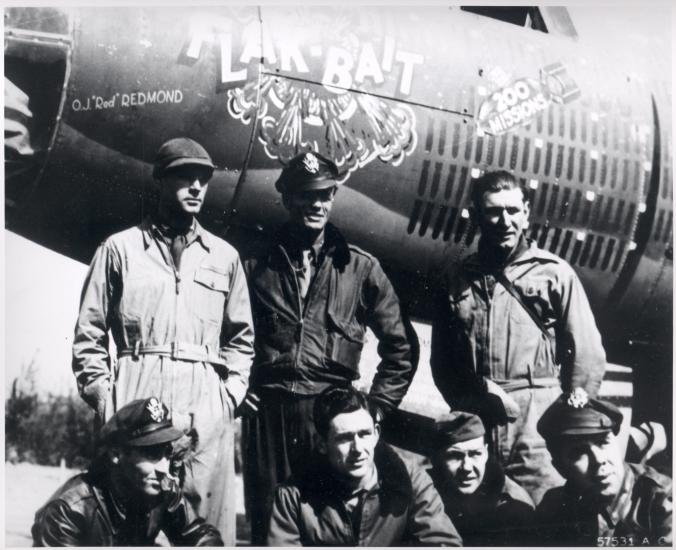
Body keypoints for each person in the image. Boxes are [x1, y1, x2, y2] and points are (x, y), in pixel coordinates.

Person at [71, 137, 255, 543]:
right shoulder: (120, 249)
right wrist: (105, 397)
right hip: (138, 394)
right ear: (159, 180)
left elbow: (242, 338)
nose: (196, 187)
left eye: (203, 180)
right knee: (131, 526)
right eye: (184, 177)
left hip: (205, 403)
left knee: (206, 531)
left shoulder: (224, 257)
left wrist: (229, 396)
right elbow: (89, 333)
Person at [241, 150, 416, 542]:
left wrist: (377, 408)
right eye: (306, 195)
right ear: (287, 199)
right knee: (266, 521)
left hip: (329, 417)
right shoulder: (255, 265)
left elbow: (400, 347)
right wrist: (239, 386)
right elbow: (224, 333)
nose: (317, 204)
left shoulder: (360, 268)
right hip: (268, 415)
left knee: (326, 524)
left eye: (325, 194)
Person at [430, 169, 607, 503]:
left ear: (527, 214)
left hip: (539, 429)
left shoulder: (554, 274)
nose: (504, 221)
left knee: (544, 514)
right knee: (481, 522)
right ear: (478, 216)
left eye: (513, 211)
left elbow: (587, 357)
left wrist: (568, 427)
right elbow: (443, 363)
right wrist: (470, 401)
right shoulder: (457, 277)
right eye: (494, 211)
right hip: (478, 427)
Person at [267, 386, 461, 546]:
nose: (358, 448)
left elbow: (444, 543)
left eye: (364, 434)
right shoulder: (292, 497)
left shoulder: (412, 481)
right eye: (344, 438)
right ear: (322, 444)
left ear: (376, 434)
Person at [32, 397, 223, 546]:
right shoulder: (67, 512)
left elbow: (203, 535)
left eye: (167, 453)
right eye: (152, 454)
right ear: (116, 454)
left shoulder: (163, 488)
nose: (164, 469)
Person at [536, 391, 672, 546]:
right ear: (560, 468)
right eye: (579, 452)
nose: (599, 460)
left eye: (603, 442)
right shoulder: (555, 508)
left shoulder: (660, 499)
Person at [429, 410, 535, 546]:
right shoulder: (423, 493)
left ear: (486, 452)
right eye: (455, 456)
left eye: (475, 454)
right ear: (437, 458)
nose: (466, 467)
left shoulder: (515, 507)